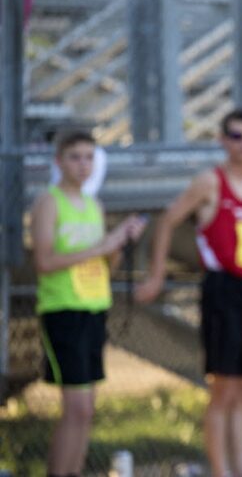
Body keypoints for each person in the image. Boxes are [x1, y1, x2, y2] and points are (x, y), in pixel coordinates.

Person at [136, 108, 242, 477]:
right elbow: (166, 221)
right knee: (223, 387)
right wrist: (156, 275)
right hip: (223, 290)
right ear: (223, 140)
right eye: (237, 136)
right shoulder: (209, 183)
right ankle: (220, 470)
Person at [31, 129, 145, 477]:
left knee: (87, 409)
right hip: (63, 309)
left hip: (94, 307)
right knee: (76, 407)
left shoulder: (93, 204)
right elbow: (45, 261)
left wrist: (118, 244)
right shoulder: (49, 202)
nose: (83, 165)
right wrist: (99, 247)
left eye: (89, 158)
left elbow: (106, 264)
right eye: (75, 157)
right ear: (59, 162)